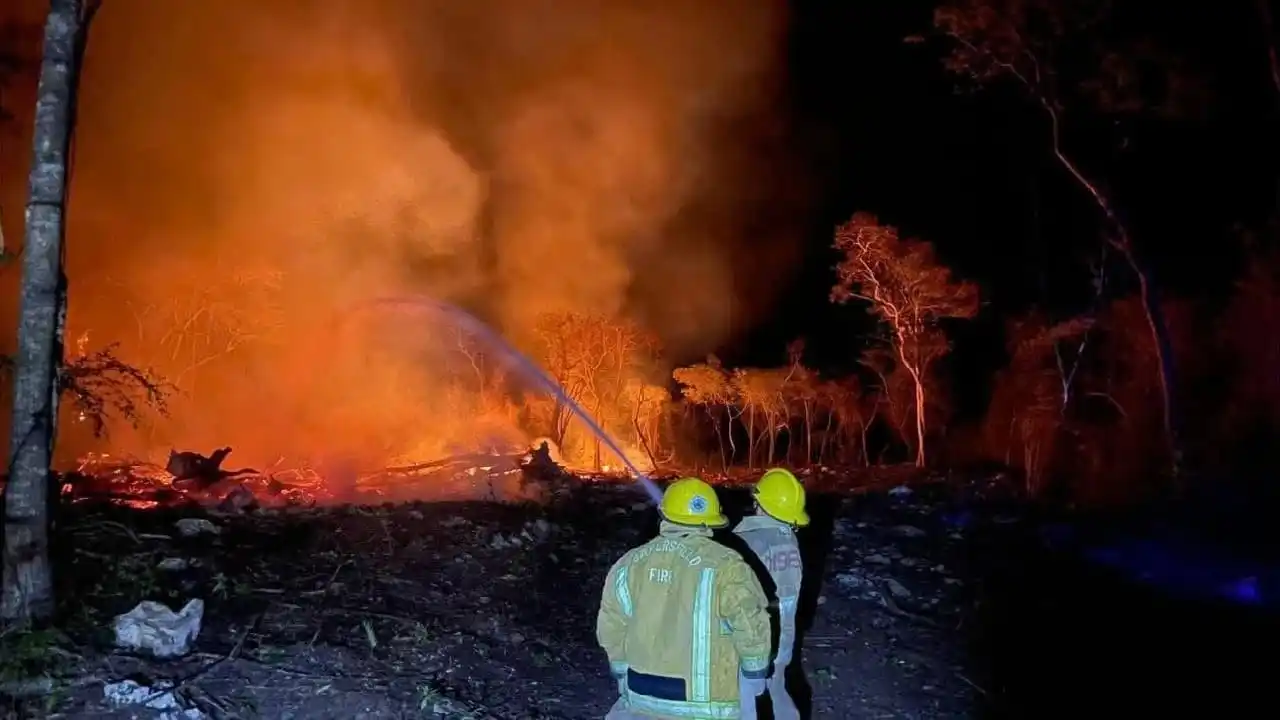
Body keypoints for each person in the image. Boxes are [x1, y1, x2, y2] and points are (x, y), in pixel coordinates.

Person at [597, 477, 773, 719]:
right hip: (707, 706)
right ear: (711, 520)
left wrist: (620, 671)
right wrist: (755, 674)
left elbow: (611, 626)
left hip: (641, 698)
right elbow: (749, 622)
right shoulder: (726, 565)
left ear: (664, 514)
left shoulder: (629, 564)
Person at [731, 468, 810, 720]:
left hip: (753, 643)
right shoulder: (789, 541)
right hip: (783, 641)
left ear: (759, 503)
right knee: (777, 694)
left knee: (748, 704)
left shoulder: (746, 540)